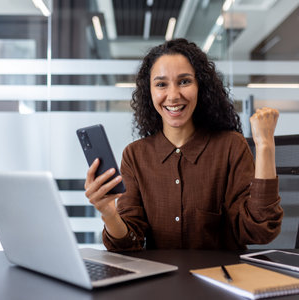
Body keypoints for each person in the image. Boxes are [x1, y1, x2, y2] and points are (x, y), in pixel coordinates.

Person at [85, 38, 283, 251]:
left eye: (184, 81)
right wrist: (109, 213)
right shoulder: (135, 155)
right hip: (161, 280)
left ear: (200, 86)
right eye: (161, 84)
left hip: (221, 279)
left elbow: (259, 230)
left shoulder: (230, 146)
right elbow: (128, 244)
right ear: (149, 92)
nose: (173, 96)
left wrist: (265, 147)